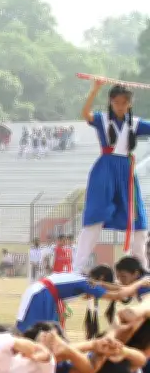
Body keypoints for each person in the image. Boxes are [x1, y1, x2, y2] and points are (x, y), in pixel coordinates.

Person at [74, 81, 150, 272]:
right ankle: (77, 268)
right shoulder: (102, 119)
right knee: (95, 217)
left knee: (139, 219)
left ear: (130, 104)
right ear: (111, 102)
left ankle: (142, 268)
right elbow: (85, 114)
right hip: (105, 171)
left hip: (126, 172)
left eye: (124, 103)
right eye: (117, 102)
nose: (120, 106)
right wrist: (95, 89)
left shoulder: (136, 123)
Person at [15, 266, 143, 332]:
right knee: (31, 331)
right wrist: (139, 284)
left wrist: (129, 287)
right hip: (42, 295)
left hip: (44, 295)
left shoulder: (84, 279)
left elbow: (111, 287)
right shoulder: (87, 283)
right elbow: (118, 295)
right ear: (102, 277)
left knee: (50, 332)